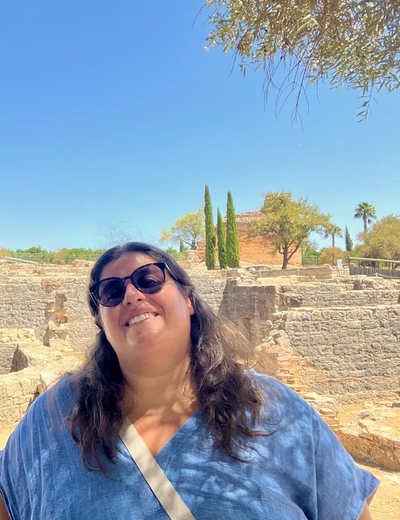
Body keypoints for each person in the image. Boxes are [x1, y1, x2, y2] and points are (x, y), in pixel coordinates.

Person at [0, 242, 378, 519]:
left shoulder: (275, 411)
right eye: (111, 292)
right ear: (101, 321)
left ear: (189, 299)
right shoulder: (55, 417)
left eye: (148, 279)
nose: (131, 294)